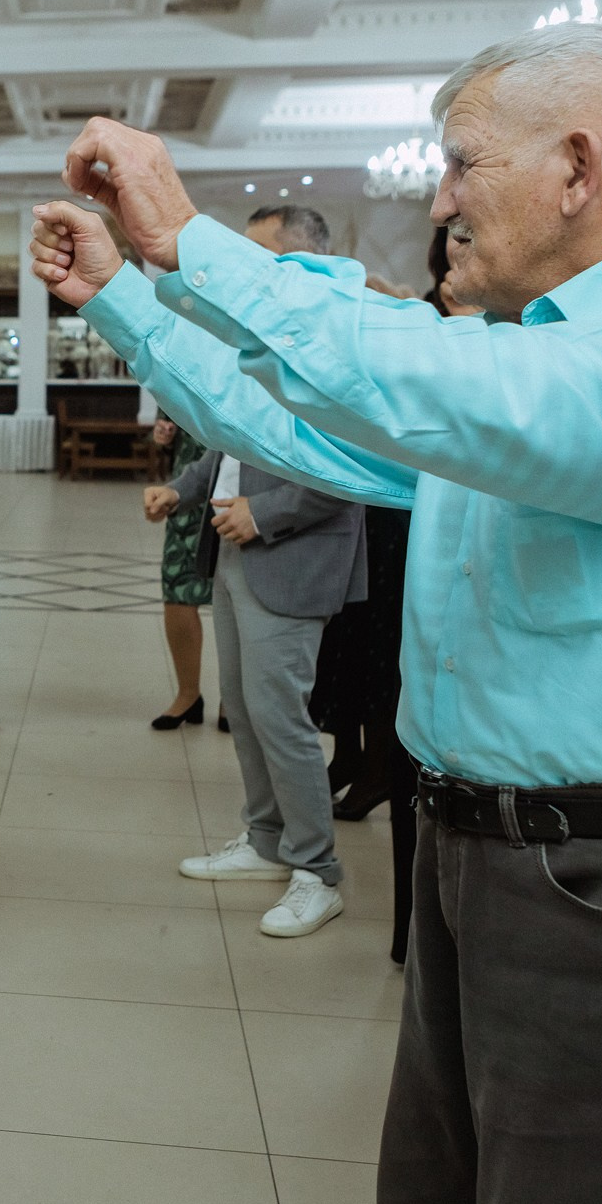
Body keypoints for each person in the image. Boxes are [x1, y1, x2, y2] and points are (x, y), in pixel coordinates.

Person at [30, 21, 602, 1204]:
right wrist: (128, 298)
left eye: (464, 164)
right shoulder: (513, 354)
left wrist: (187, 240)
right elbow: (301, 422)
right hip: (475, 860)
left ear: (577, 167)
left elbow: (466, 395)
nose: (440, 200)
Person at [143, 206, 368, 940]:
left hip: (291, 558)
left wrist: (265, 516)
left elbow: (344, 467)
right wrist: (182, 488)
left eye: (259, 251)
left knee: (282, 716)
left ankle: (318, 870)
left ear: (300, 260)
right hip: (235, 552)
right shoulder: (259, 345)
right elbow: (235, 443)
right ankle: (268, 839)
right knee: (242, 705)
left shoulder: (332, 347)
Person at [144, 417, 209, 729]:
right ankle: (188, 694)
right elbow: (166, 426)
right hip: (187, 488)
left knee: (238, 598)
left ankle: (233, 701)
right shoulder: (184, 369)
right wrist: (164, 437)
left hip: (245, 489)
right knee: (177, 588)